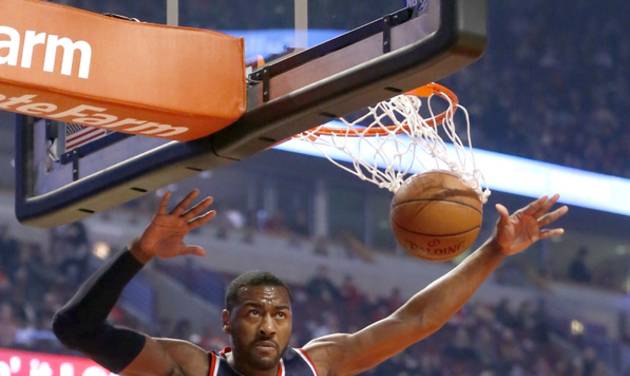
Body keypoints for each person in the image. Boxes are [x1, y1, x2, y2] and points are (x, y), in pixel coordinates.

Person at [52, 189, 568, 375]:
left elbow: (417, 319)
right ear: (228, 322)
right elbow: (75, 329)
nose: (269, 327)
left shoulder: (316, 366)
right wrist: (139, 253)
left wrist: (496, 250)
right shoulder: (191, 369)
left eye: (279, 315)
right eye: (255, 313)